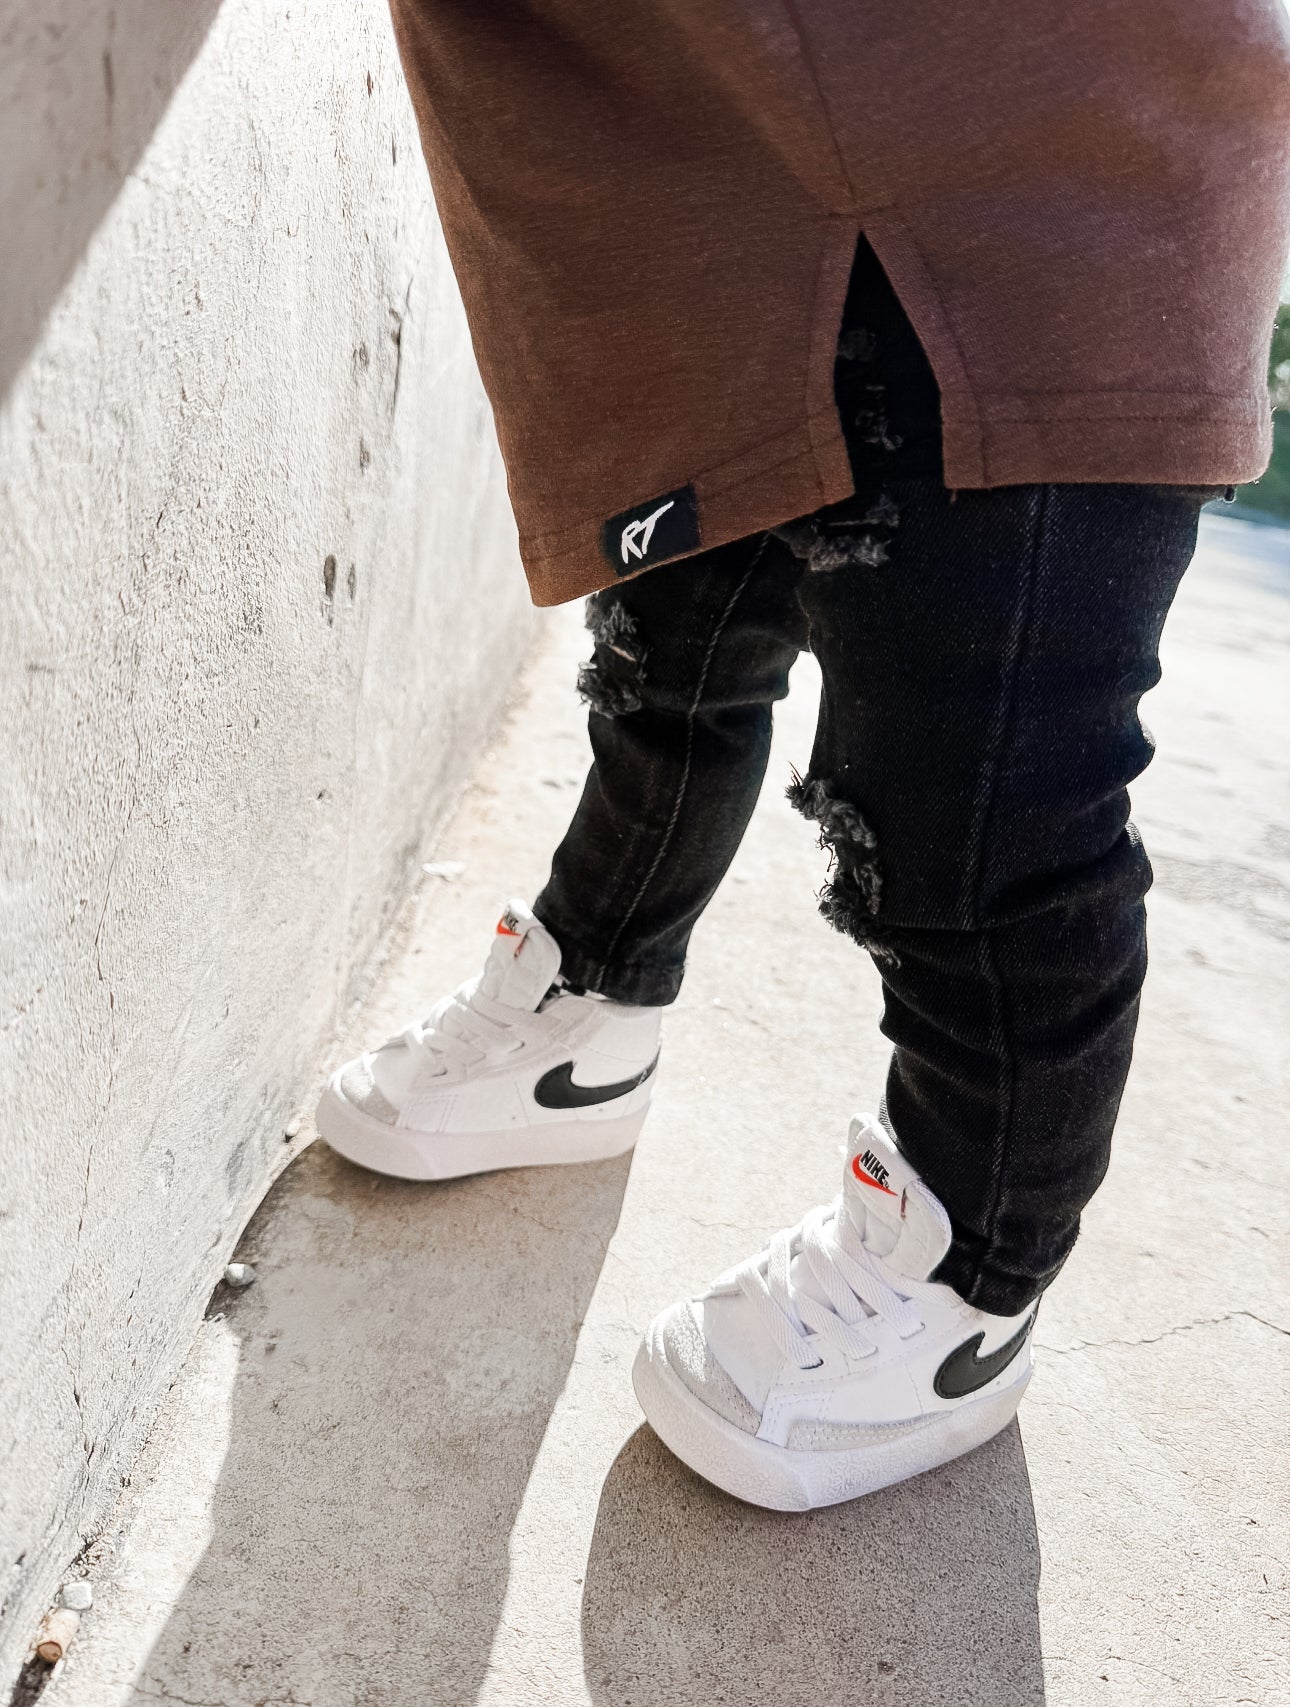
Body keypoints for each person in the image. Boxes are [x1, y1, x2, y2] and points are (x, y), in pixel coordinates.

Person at [316, 3, 1290, 1510]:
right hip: (682, 142)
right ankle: (591, 1008)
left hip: (1025, 116)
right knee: (671, 659)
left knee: (975, 799)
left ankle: (972, 1276)